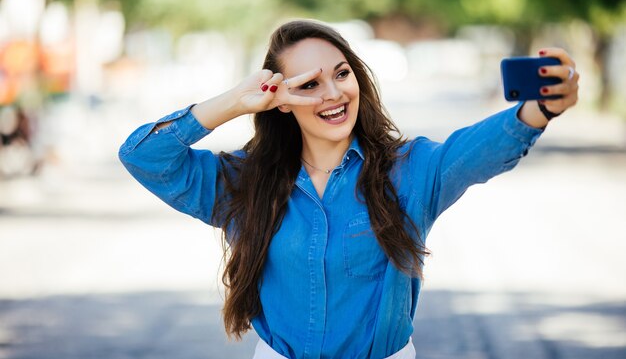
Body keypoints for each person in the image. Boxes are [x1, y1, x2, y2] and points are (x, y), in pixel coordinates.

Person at [119, 19, 579, 359]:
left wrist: (539, 109)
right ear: (280, 101)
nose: (333, 94)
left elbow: (476, 150)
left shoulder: (410, 171)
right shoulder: (246, 183)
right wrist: (236, 101)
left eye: (341, 74)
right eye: (309, 84)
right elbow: (142, 155)